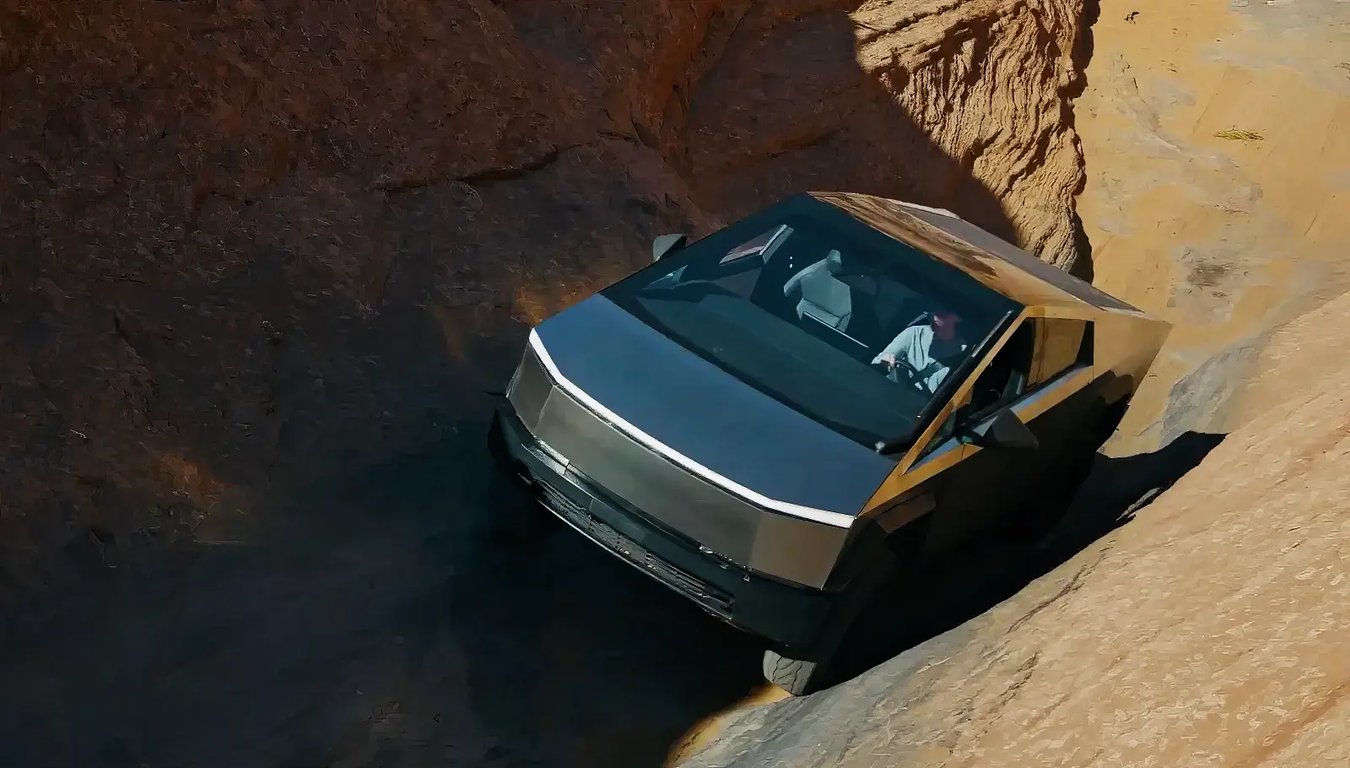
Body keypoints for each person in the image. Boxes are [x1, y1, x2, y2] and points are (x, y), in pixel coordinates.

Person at [872, 309, 967, 393]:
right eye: (936, 309)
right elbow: (876, 363)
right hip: (887, 393)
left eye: (945, 312)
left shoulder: (964, 354)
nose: (937, 315)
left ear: (958, 317)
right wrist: (884, 363)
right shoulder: (913, 333)